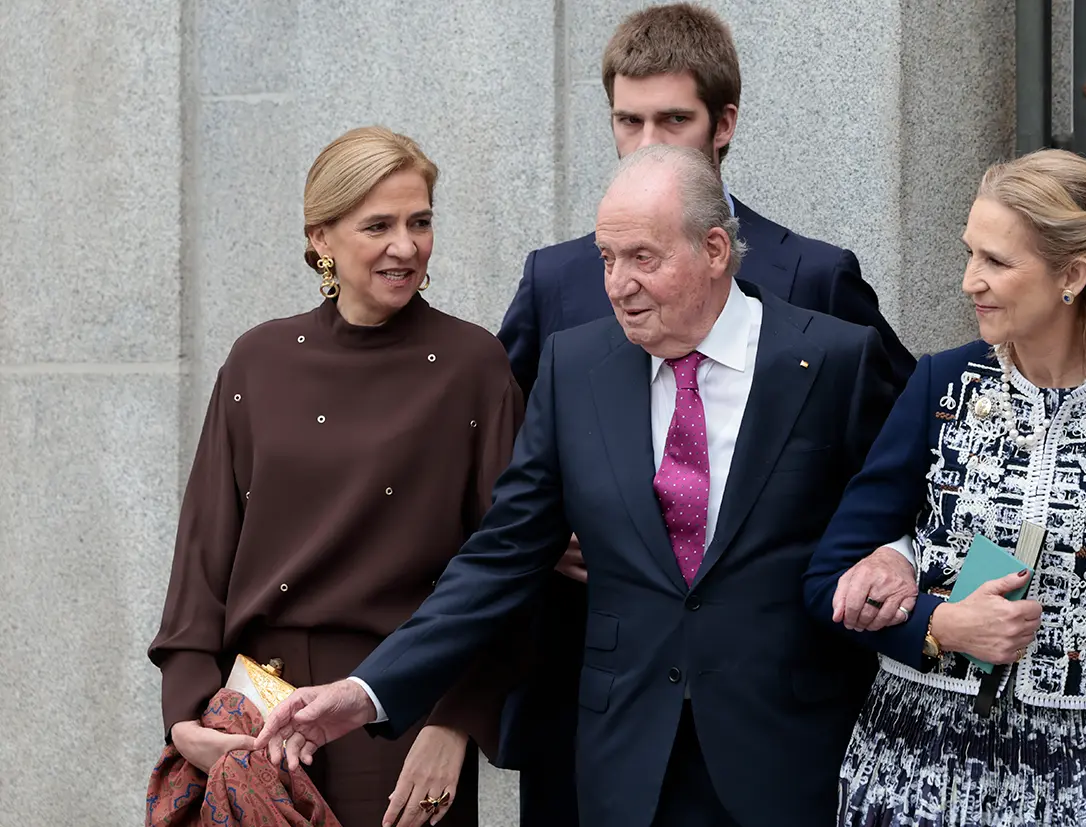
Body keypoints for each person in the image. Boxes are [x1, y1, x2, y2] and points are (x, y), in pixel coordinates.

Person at [255, 144, 901, 827]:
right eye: (606, 258)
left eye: (642, 258)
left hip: (788, 757)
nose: (617, 283)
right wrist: (368, 690)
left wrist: (899, 554)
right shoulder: (576, 367)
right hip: (626, 767)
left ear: (715, 249)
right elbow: (500, 556)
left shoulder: (830, 360)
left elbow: (910, 502)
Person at [494, 6, 915, 823]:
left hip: (773, 707)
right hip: (607, 693)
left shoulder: (815, 279)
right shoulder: (560, 280)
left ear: (722, 124)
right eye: (629, 120)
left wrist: (886, 557)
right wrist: (554, 531)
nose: (650, 140)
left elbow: (908, 460)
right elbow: (508, 462)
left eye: (674, 119)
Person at [803, 148, 1086, 825]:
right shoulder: (942, 384)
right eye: (971, 254)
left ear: (1072, 275)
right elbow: (826, 580)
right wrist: (939, 623)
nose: (972, 280)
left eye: (996, 262)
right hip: (918, 767)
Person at [147, 126, 523, 827]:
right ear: (321, 237)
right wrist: (186, 715)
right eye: (378, 224)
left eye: (420, 222)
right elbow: (202, 557)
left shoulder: (475, 367)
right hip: (253, 727)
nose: (405, 246)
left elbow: (507, 567)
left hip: (397, 727)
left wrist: (454, 724)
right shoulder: (256, 362)